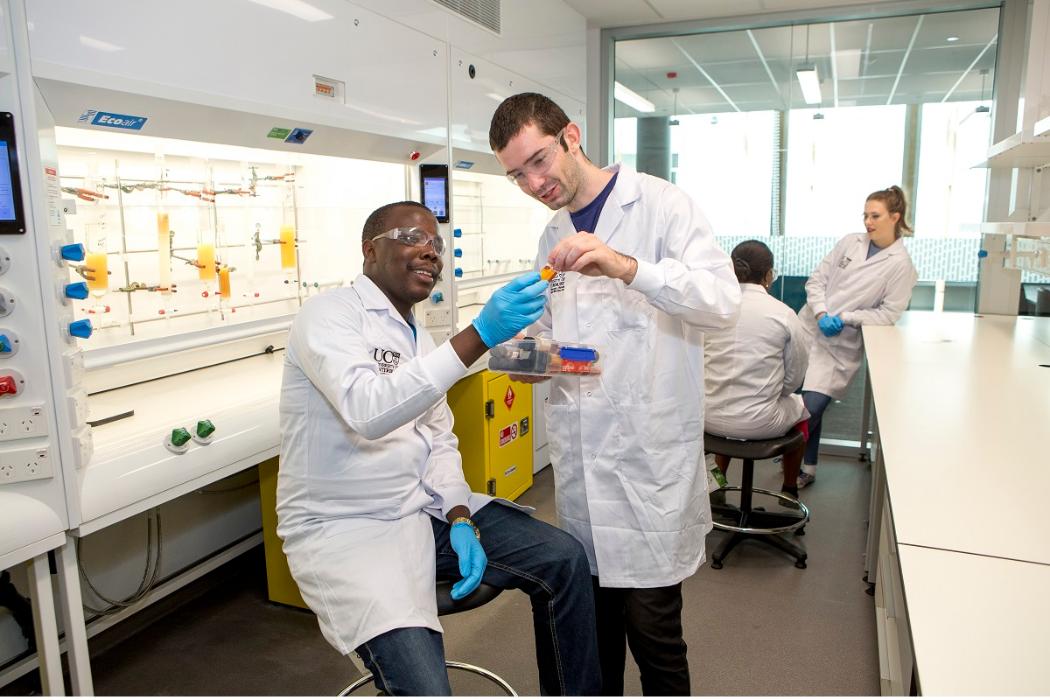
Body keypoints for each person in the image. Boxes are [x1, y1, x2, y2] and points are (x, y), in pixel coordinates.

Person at [276, 200, 602, 696]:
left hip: (425, 513)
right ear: (370, 250)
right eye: (411, 237)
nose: (429, 251)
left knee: (564, 559)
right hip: (347, 528)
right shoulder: (328, 316)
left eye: (436, 244)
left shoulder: (417, 338)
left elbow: (439, 439)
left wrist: (459, 514)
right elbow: (368, 412)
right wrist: (479, 335)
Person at [489, 93, 741, 696]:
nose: (534, 182)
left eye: (540, 161)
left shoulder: (661, 205)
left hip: (647, 471)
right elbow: (556, 347)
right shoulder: (551, 234)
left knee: (655, 638)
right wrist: (519, 354)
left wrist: (629, 267)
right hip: (582, 475)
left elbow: (722, 302)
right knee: (591, 640)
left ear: (572, 135)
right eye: (517, 174)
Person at [797, 186, 918, 488]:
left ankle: (795, 459)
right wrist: (823, 313)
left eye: (875, 216)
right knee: (795, 402)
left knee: (811, 405)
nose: (868, 222)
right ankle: (806, 466)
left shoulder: (901, 266)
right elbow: (816, 281)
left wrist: (848, 318)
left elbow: (888, 314)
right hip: (809, 328)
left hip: (840, 345)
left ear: (895, 217)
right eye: (865, 215)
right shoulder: (850, 243)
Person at [704, 240, 809, 498]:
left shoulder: (712, 308)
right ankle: (789, 489)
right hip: (760, 423)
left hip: (707, 418)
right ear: (769, 275)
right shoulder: (783, 314)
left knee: (726, 409)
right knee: (802, 412)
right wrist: (774, 392)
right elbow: (795, 378)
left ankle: (717, 485)